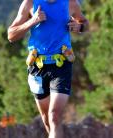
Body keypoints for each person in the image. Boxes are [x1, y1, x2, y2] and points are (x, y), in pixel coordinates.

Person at [7, 0, 88, 137]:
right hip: (37, 67)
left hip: (61, 65)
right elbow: (11, 35)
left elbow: (84, 22)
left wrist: (79, 27)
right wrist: (32, 21)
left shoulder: (70, 3)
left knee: (54, 115)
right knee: (46, 119)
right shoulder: (30, 3)